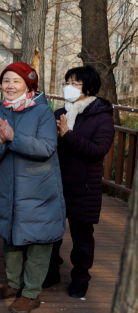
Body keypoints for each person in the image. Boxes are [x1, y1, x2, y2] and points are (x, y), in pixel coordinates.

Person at [0, 62, 66, 313]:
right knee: (10, 237)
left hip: (38, 187)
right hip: (7, 186)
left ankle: (31, 292)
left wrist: (13, 138)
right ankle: (13, 284)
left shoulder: (42, 112)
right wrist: (2, 141)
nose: (10, 86)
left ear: (28, 85)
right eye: (6, 81)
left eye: (16, 81)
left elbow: (46, 148)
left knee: (38, 241)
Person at [43, 66, 114, 298]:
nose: (68, 87)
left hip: (84, 188)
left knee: (82, 238)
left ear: (89, 88)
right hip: (56, 183)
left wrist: (68, 134)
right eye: (68, 82)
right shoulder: (59, 112)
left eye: (75, 83)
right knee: (51, 233)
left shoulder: (101, 116)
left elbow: (98, 150)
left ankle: (80, 278)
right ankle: (50, 272)